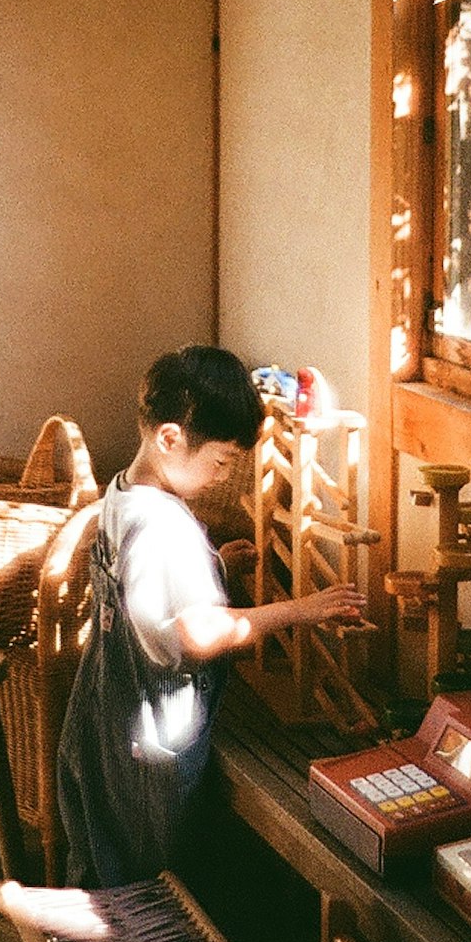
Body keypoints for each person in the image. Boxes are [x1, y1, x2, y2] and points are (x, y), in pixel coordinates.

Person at [56, 345, 366, 887]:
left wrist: (214, 566)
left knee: (110, 855)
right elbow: (198, 633)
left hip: (105, 712)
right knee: (159, 871)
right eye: (221, 461)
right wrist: (300, 610)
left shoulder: (122, 496)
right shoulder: (166, 527)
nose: (225, 476)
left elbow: (147, 601)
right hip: (155, 729)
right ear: (170, 438)